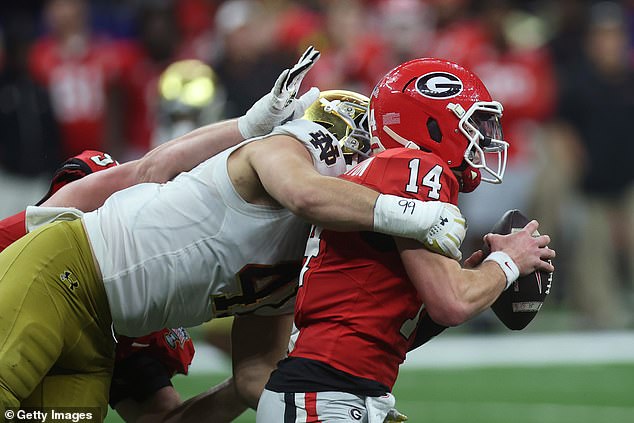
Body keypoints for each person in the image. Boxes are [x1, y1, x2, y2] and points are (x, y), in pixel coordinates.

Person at [0, 48, 464, 420]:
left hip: (103, 330)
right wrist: (408, 212)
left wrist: (350, 407)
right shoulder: (292, 150)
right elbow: (304, 193)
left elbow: (255, 376)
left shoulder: (303, 258)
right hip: (62, 274)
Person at [256, 57, 556, 423]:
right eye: (474, 124)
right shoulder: (414, 166)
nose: (485, 139)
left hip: (339, 388)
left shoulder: (396, 171)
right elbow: (453, 302)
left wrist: (479, 281)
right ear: (431, 122)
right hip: (324, 392)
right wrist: (508, 262)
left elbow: (397, 330)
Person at [0, 150, 195, 422]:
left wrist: (240, 386)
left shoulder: (135, 280)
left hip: (97, 326)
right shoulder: (20, 244)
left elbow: (159, 412)